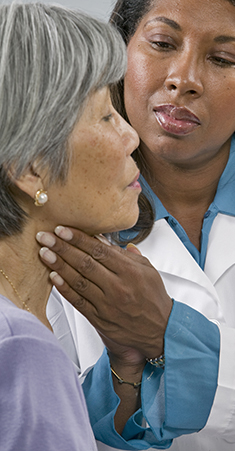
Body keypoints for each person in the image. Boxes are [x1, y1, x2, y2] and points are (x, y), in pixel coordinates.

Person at [37, 0, 235, 450]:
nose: (184, 79)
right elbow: (39, 420)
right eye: (162, 43)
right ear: (121, 52)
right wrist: (123, 374)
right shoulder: (52, 225)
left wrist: (165, 333)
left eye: (221, 58)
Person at [0, 2, 145, 450]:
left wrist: (127, 359)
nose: (131, 136)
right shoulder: (21, 351)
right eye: (105, 115)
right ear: (30, 170)